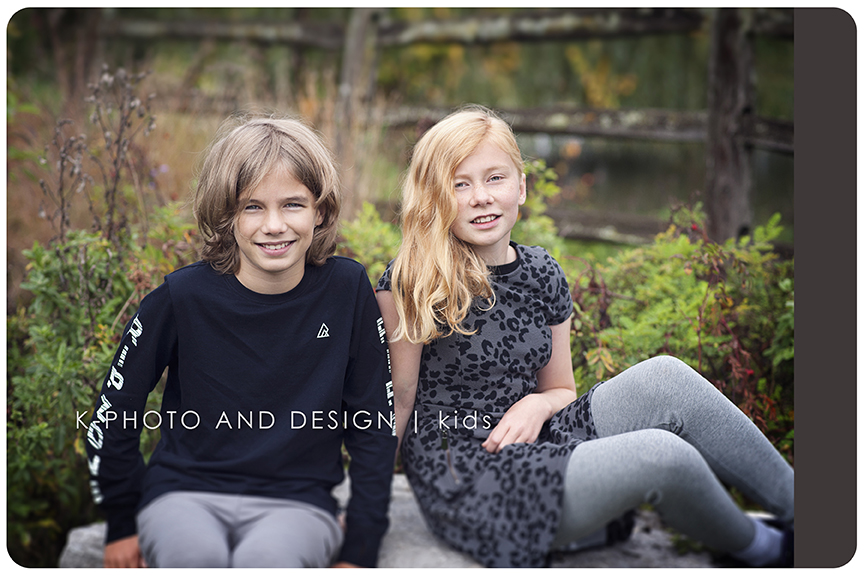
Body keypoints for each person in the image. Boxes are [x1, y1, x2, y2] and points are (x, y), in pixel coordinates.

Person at [374, 105, 794, 568]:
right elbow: (399, 402)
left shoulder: (542, 272)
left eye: (495, 178)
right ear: (434, 197)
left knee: (666, 376)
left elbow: (561, 390)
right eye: (459, 184)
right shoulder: (415, 280)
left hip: (540, 437)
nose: (481, 197)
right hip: (469, 473)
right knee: (662, 454)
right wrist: (365, 507)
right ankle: (771, 551)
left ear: (521, 187)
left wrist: (537, 404)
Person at [84, 115, 397, 568]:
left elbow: (373, 424)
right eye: (252, 207)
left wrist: (361, 547)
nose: (274, 225)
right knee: (195, 557)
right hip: (183, 495)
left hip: (297, 503)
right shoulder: (180, 298)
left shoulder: (346, 291)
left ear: (320, 211)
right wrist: (121, 521)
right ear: (226, 214)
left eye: (293, 204)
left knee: (266, 561)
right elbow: (114, 413)